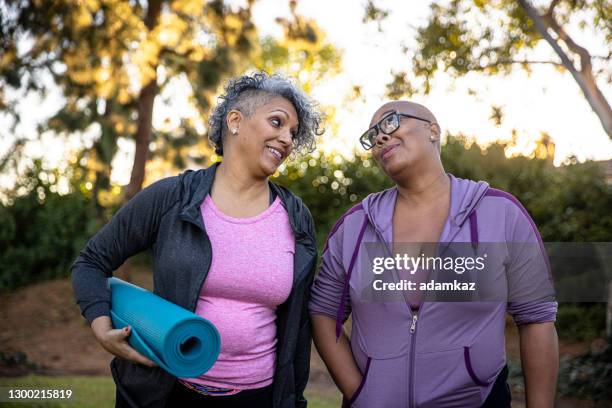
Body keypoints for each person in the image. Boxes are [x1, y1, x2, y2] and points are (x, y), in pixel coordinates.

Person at [71, 72, 322, 408]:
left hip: (261, 397)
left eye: (293, 132)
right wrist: (102, 328)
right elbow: (91, 262)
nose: (287, 139)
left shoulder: (296, 216)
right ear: (235, 121)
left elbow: (299, 323)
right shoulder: (172, 197)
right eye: (276, 122)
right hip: (170, 392)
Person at [309, 101, 559, 407]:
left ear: (433, 130)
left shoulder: (502, 214)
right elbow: (323, 312)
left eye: (389, 123)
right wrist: (359, 393)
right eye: (371, 136)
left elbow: (537, 320)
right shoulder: (354, 227)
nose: (379, 138)